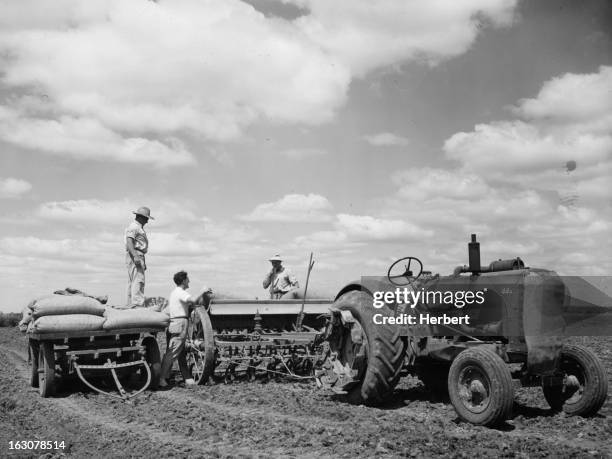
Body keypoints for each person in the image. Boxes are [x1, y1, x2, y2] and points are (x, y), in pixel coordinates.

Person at [159, 271, 211, 388]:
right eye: (188, 279)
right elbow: (193, 301)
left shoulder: (175, 293)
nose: (189, 281)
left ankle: (166, 377)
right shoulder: (180, 292)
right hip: (180, 323)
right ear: (183, 281)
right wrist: (202, 291)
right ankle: (161, 379)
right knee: (172, 353)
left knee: (174, 351)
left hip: (178, 322)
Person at [125, 206, 153, 307]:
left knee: (133, 281)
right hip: (136, 254)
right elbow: (129, 241)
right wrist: (136, 256)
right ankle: (137, 304)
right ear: (141, 217)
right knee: (138, 280)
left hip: (136, 254)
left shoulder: (136, 227)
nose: (147, 221)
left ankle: (130, 304)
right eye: (146, 218)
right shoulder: (134, 227)